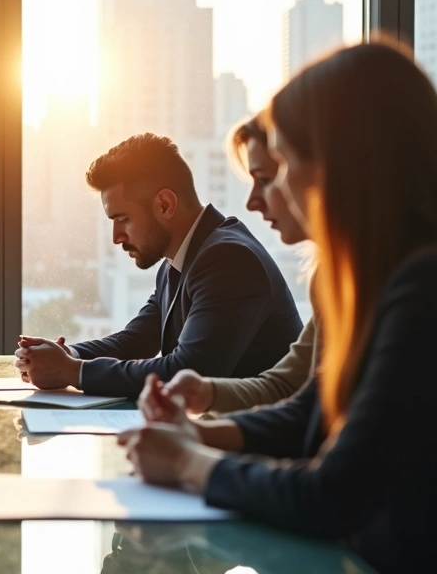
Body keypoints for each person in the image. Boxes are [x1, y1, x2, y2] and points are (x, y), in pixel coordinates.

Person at [121, 39, 437, 573]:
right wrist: (196, 435)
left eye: (284, 162)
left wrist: (190, 462)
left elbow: (333, 494)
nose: (271, 191)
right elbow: (307, 411)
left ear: (344, 166)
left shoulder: (422, 288)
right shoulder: (382, 282)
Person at [15, 133, 301, 398]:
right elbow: (136, 341)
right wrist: (63, 354)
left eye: (123, 219)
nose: (116, 237)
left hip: (263, 444)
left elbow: (188, 372)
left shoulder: (228, 259)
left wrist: (71, 372)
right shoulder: (179, 261)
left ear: (165, 204)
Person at [144, 117, 317, 415]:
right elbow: (287, 388)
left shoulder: (228, 257)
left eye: (265, 179)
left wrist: (194, 452)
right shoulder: (330, 279)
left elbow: (306, 413)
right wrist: (205, 398)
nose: (250, 203)